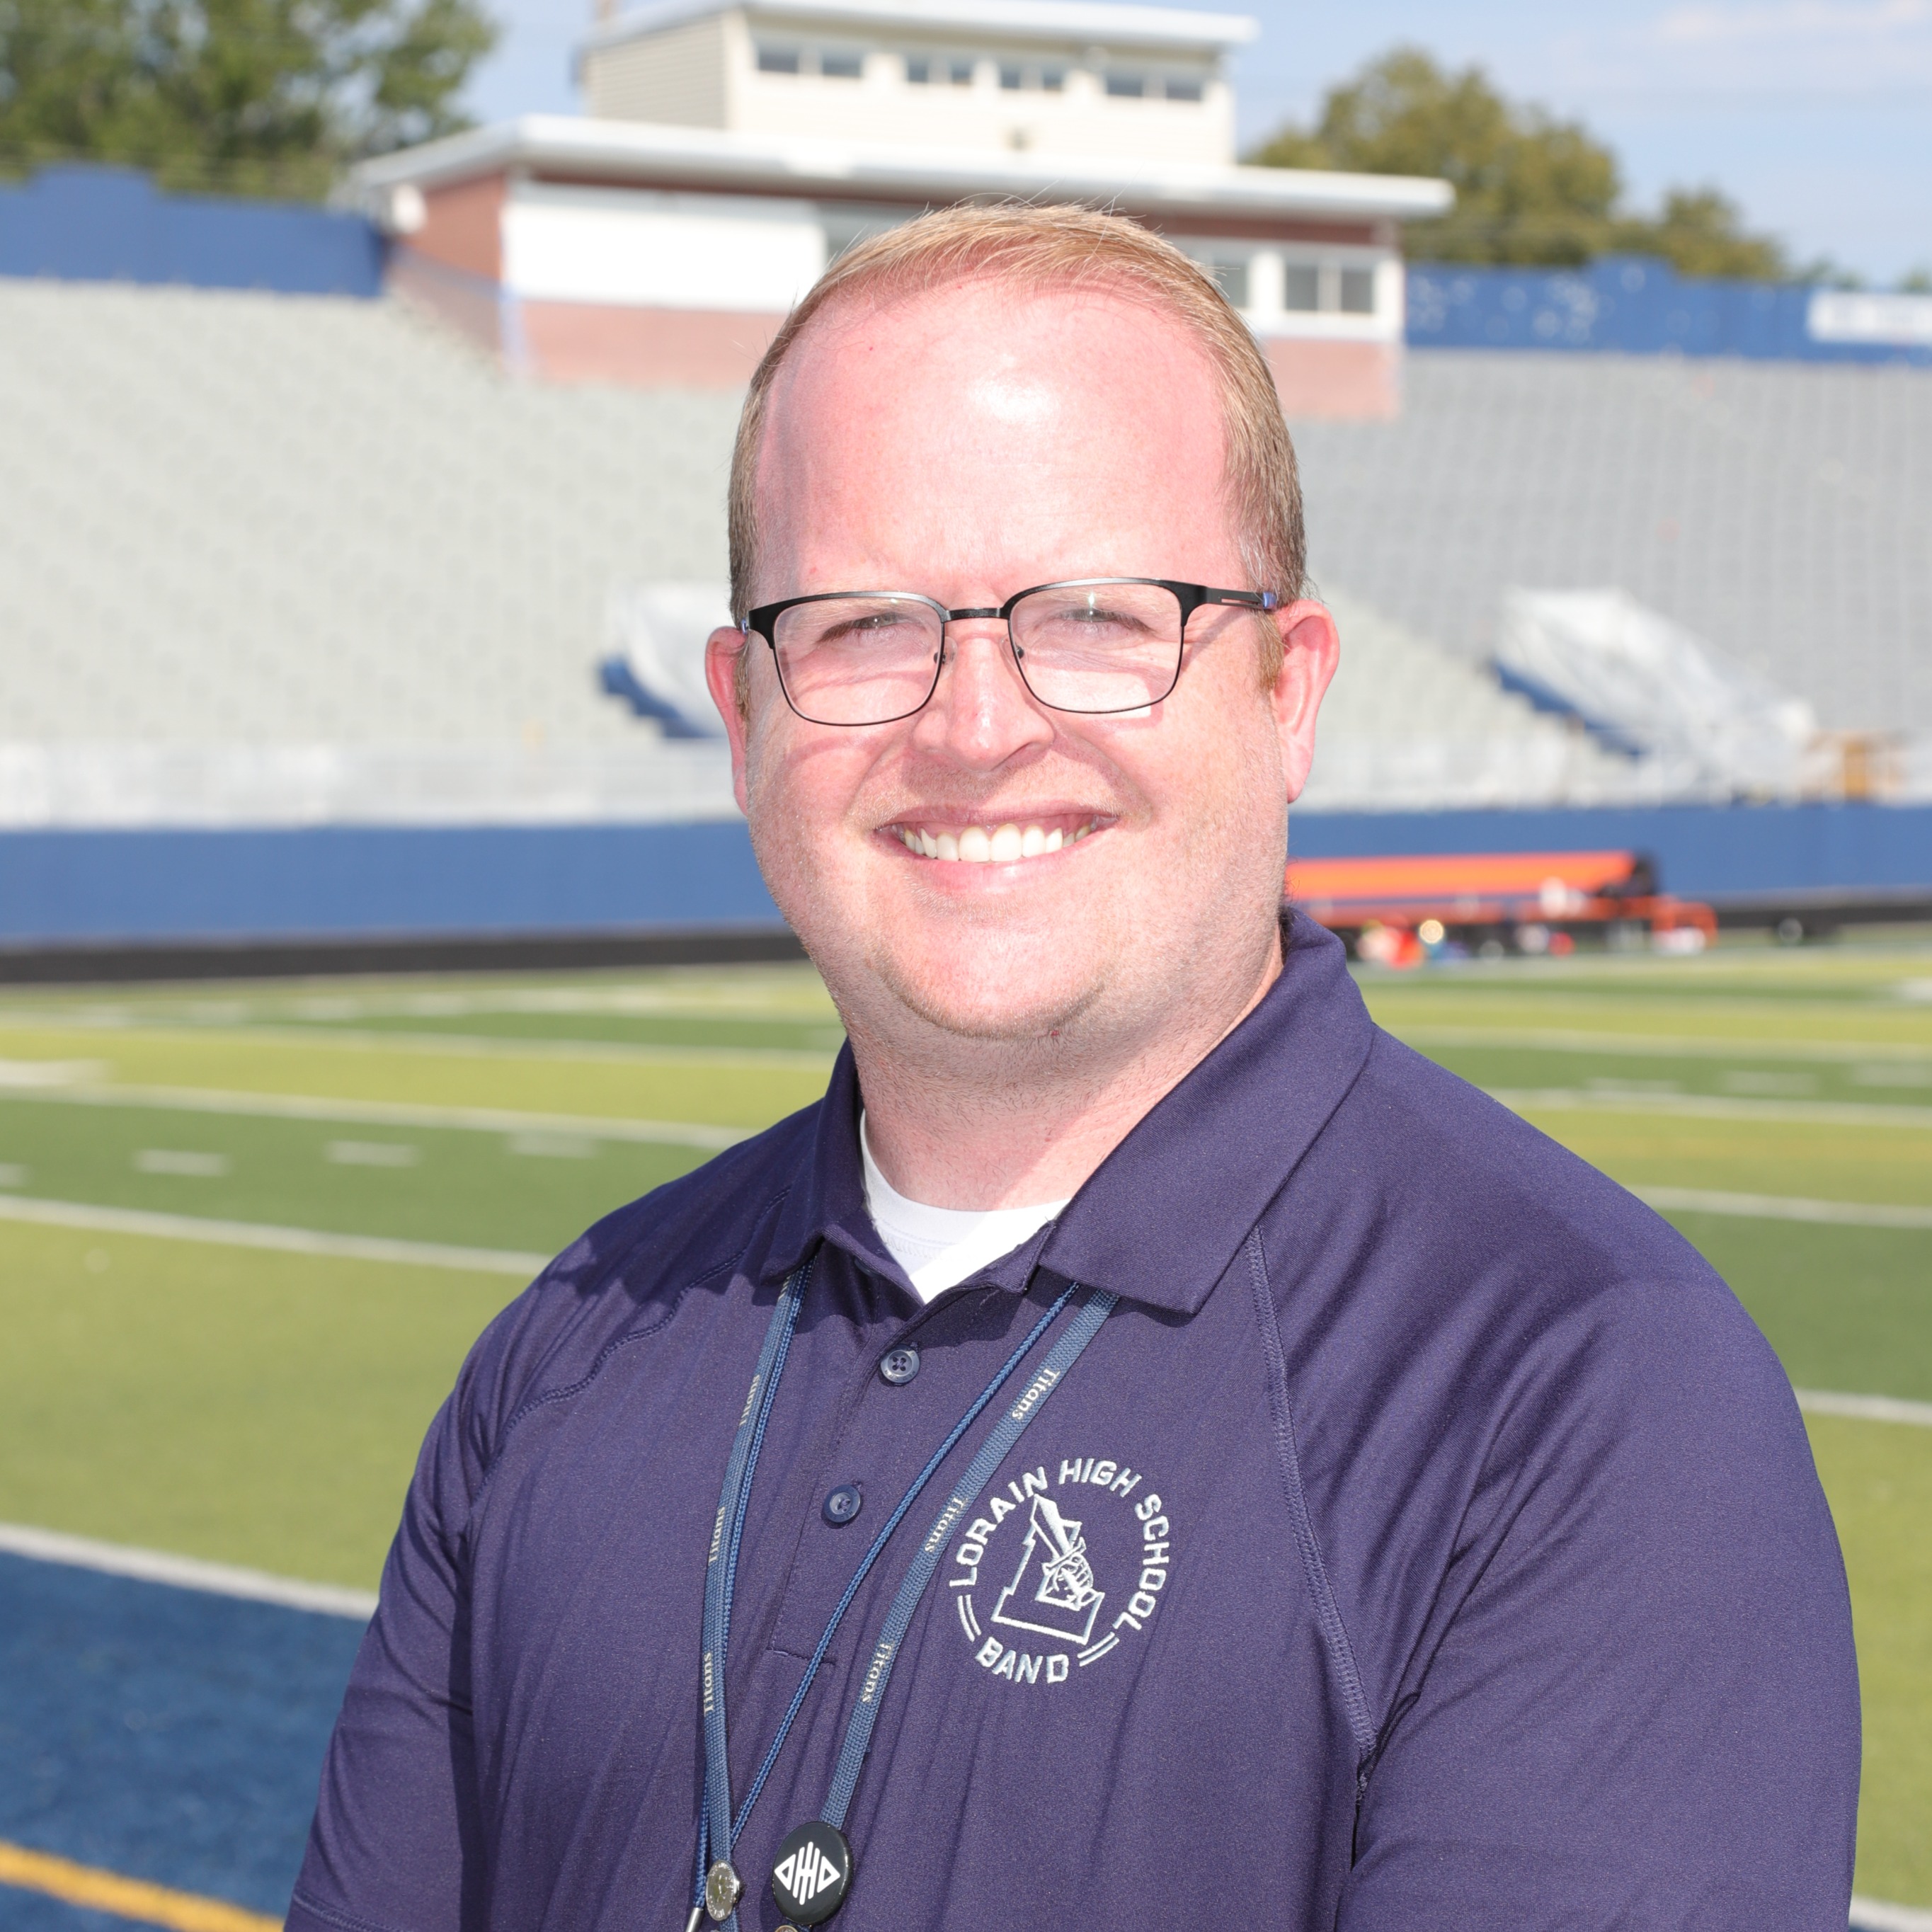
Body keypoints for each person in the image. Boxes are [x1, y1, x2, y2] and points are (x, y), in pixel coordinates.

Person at [290, 205, 1858, 1932]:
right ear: (744, 720)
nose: (974, 724)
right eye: (865, 622)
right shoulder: (568, 1349)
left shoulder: (1581, 1395)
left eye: (1103, 615)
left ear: (1289, 690)